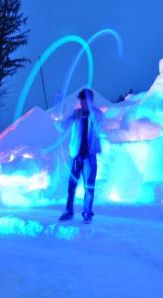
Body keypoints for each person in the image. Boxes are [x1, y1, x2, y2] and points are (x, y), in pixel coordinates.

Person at [59, 88, 104, 223]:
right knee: (71, 186)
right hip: (76, 156)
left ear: (90, 101)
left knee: (89, 186)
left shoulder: (97, 114)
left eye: (85, 100)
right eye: (81, 100)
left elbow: (101, 122)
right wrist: (62, 111)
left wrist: (91, 113)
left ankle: (87, 213)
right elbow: (63, 126)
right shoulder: (76, 114)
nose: (83, 103)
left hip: (90, 156)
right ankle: (69, 211)